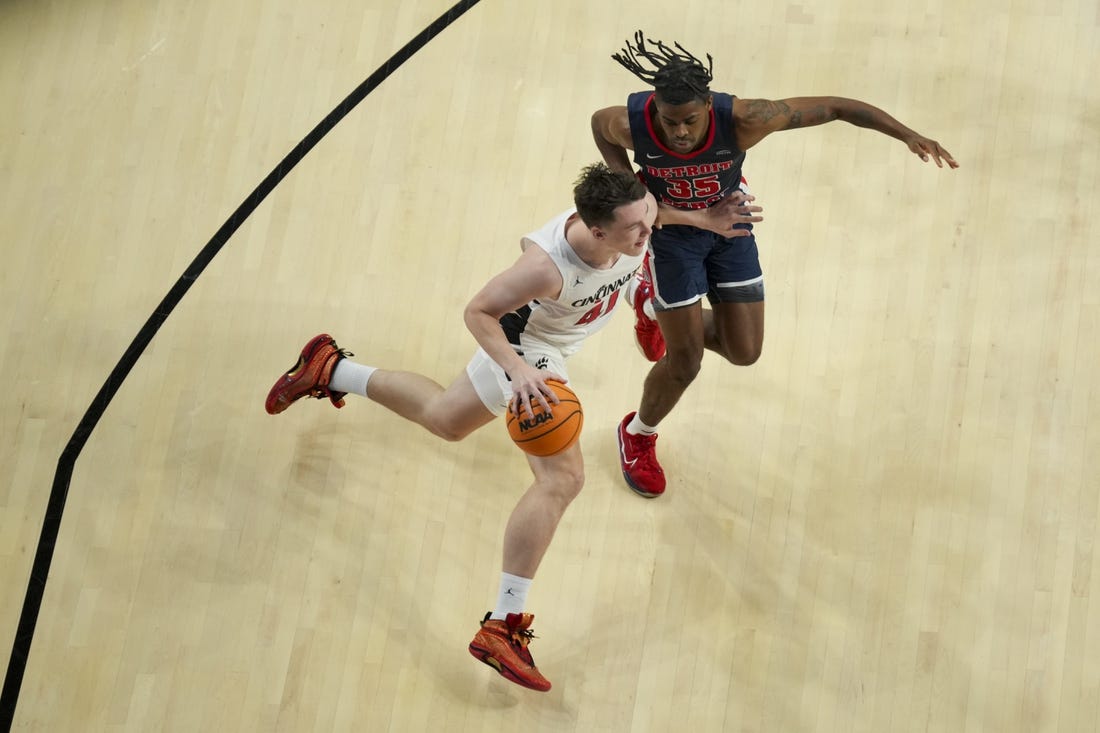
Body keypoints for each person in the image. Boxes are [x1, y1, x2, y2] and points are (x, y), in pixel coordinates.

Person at [264, 163, 659, 692]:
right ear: (597, 230)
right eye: (636, 228)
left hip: (551, 345)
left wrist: (705, 222)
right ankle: (503, 624)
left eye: (648, 219)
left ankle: (330, 368)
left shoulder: (634, 222)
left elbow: (648, 230)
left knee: (445, 420)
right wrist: (517, 371)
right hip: (526, 351)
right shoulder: (545, 268)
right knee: (562, 480)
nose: (647, 232)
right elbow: (478, 312)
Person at [591, 31, 959, 498]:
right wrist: (632, 188)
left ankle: (650, 307)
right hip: (673, 239)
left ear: (708, 105)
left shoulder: (745, 119)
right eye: (669, 122)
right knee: (685, 361)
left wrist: (908, 134)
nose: (679, 133)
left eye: (688, 121)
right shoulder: (629, 125)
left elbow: (838, 107)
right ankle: (637, 435)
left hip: (730, 231)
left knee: (744, 351)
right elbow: (596, 123)